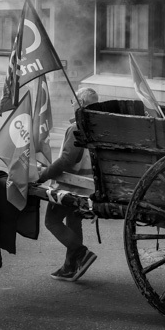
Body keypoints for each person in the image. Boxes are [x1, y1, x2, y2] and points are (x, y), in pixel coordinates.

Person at [35, 87, 99, 282]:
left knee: (51, 221)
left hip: (70, 186)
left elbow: (66, 161)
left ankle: (81, 253)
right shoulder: (98, 124)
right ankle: (69, 267)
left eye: (73, 101)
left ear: (80, 104)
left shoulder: (76, 128)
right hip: (88, 187)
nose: (71, 105)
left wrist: (43, 175)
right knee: (73, 222)